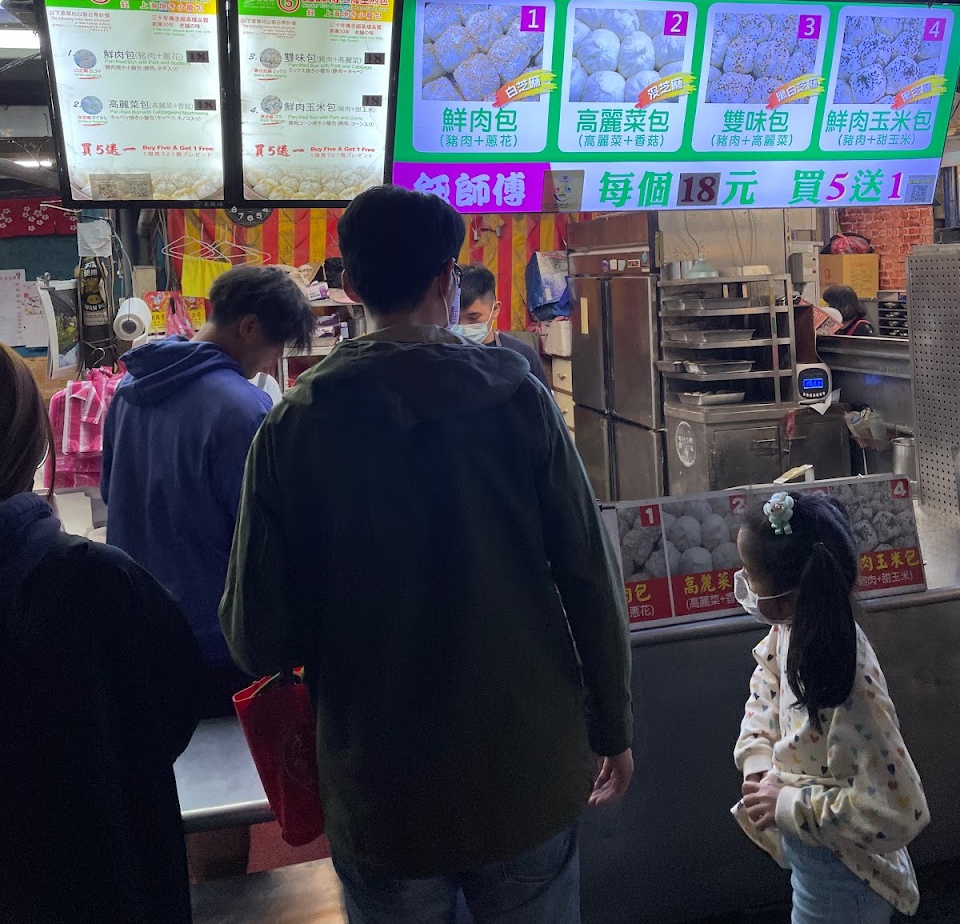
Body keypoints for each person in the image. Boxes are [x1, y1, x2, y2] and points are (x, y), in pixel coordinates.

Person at [221, 185, 633, 924]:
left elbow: (258, 637)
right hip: (525, 768)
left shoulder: (291, 428)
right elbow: (588, 578)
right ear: (448, 278)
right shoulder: (522, 401)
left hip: (381, 786)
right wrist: (613, 725)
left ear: (350, 287)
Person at [0, 344, 205, 924]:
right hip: (104, 870)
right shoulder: (98, 581)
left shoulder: (131, 398)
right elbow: (174, 704)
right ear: (31, 440)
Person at [104, 264, 315, 716]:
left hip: (136, 624)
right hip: (215, 640)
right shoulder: (244, 408)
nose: (271, 360)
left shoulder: (128, 388)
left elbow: (110, 491)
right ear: (249, 327)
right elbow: (265, 535)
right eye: (275, 345)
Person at [732, 490, 928, 923]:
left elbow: (898, 812)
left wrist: (790, 804)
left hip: (848, 882)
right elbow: (767, 681)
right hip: (814, 865)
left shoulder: (848, 685)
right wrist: (758, 758)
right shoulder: (791, 628)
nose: (740, 582)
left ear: (786, 597)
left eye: (749, 577)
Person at [454, 263, 549, 385]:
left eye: (473, 317)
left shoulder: (521, 354)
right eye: (454, 318)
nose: (462, 326)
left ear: (495, 309)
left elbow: (540, 397)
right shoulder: (441, 354)